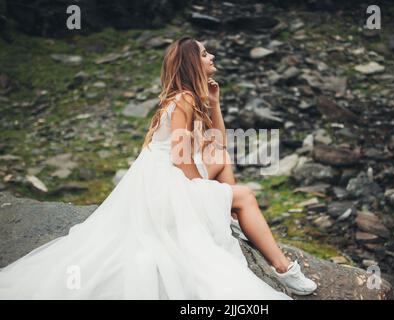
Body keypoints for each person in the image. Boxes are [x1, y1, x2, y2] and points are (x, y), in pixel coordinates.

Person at [0, 36, 316, 299]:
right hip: (166, 188)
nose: (212, 56)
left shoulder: (186, 98)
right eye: (205, 54)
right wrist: (204, 196)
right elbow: (181, 160)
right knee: (245, 195)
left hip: (160, 184)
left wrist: (216, 103)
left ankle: (228, 216)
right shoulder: (184, 100)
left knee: (221, 159)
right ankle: (283, 269)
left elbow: (217, 145)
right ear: (194, 64)